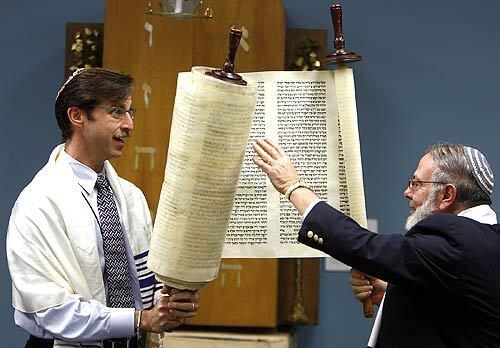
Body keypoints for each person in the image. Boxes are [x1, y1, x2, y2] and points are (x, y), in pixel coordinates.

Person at [6, 68, 199, 348]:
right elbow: (49, 311)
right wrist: (139, 320)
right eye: (117, 112)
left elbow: (145, 285)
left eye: (131, 112)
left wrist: (169, 303)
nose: (130, 124)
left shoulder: (131, 197)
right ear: (77, 116)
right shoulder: (38, 203)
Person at [252, 139, 500, 347]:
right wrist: (392, 294)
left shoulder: (456, 239)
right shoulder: (484, 239)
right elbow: (453, 313)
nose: (407, 192)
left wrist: (292, 187)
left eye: (416, 183)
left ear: (447, 195)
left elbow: (367, 248)